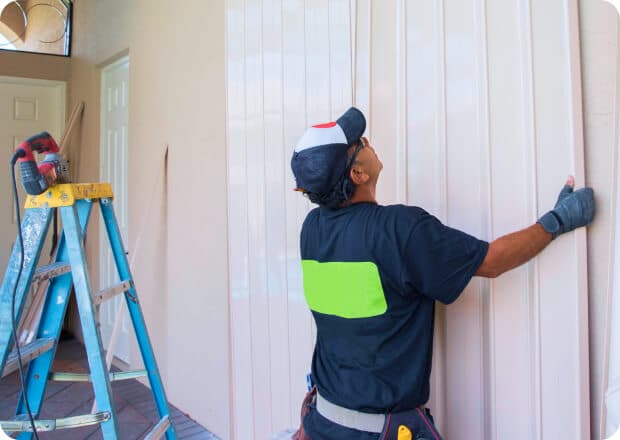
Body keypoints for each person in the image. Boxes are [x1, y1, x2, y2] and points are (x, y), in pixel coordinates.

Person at [289, 107, 595, 440]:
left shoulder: (312, 230)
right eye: (360, 141)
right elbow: (490, 261)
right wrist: (557, 222)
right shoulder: (400, 231)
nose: (367, 141)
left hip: (324, 422)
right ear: (358, 174)